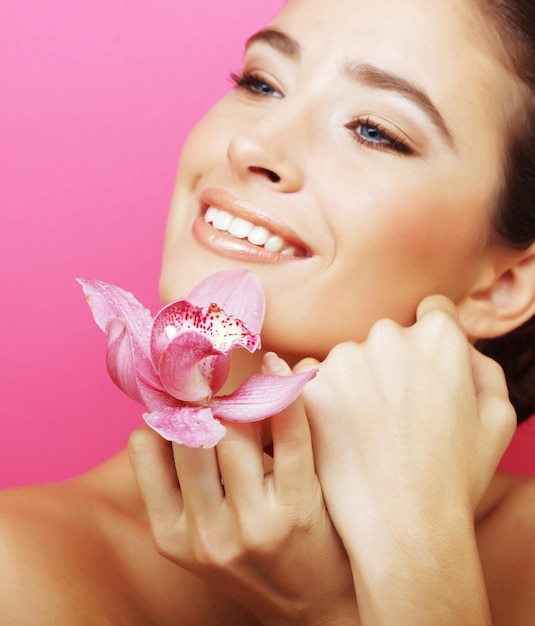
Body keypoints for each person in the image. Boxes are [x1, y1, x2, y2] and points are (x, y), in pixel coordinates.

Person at [1, 0, 535, 623]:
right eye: (261, 83)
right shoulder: (20, 570)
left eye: (374, 130)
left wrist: (339, 604)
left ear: (502, 285)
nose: (252, 143)